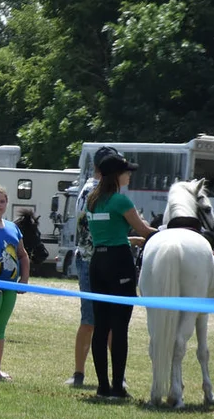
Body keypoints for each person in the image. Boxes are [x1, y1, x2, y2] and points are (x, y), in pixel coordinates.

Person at [86, 150, 156, 399]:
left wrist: (129, 239)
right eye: (127, 172)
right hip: (119, 263)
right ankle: (118, 386)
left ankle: (102, 386)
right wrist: (169, 231)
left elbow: (107, 232)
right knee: (120, 326)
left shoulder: (92, 200)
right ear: (117, 174)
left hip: (99, 261)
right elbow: (145, 230)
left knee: (101, 325)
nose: (129, 176)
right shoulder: (121, 201)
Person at [65, 145, 118, 388]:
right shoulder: (92, 190)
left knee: (110, 321)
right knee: (90, 320)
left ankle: (117, 375)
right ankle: (78, 374)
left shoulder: (108, 191)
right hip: (90, 260)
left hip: (104, 260)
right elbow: (93, 228)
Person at [0, 186, 30, 381]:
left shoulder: (13, 227)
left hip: (10, 285)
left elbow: (22, 254)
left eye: (2, 201)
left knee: (0, 328)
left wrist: (24, 279)